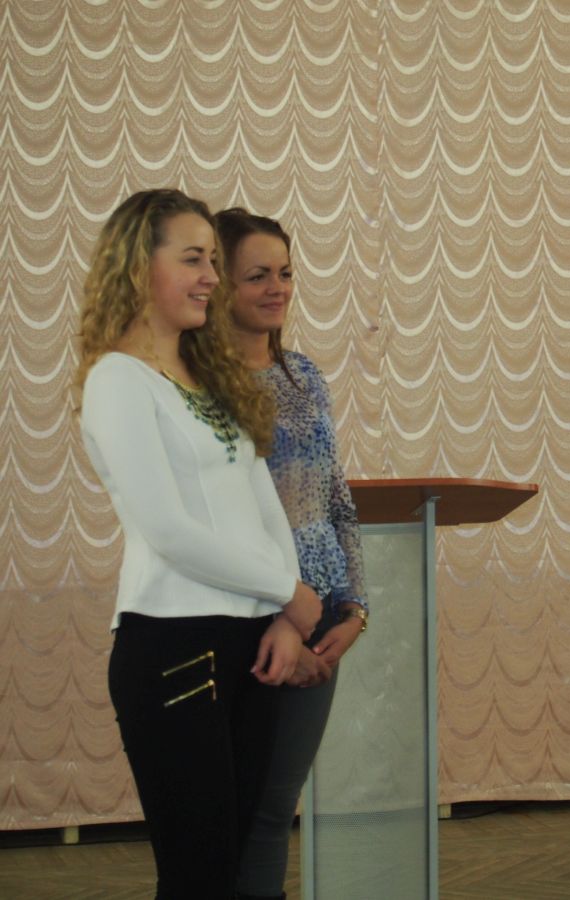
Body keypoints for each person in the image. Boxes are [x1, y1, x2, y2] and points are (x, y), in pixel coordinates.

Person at [77, 189, 323, 899]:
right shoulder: (117, 379)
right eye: (193, 260)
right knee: (199, 876)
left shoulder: (208, 377)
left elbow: (262, 505)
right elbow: (169, 530)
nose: (212, 277)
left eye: (214, 260)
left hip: (251, 642)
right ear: (137, 268)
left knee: (234, 869)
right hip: (172, 645)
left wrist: (283, 617)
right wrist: (289, 592)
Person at [214, 208, 368, 900]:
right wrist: (286, 616)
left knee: (276, 808)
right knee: (237, 810)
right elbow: (225, 521)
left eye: (284, 273)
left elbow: (337, 499)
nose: (276, 288)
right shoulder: (203, 387)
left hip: (324, 614)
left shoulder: (305, 375)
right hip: (252, 615)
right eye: (257, 275)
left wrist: (356, 607)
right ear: (220, 282)